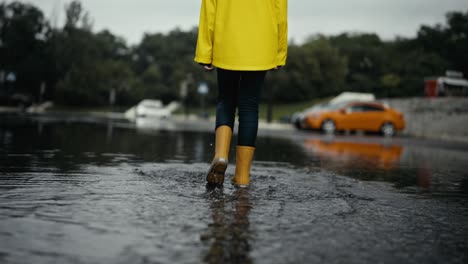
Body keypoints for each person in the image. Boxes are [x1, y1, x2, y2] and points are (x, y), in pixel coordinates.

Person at [195, 0, 288, 187]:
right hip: (261, 45)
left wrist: (205, 52)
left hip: (227, 42)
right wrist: (279, 53)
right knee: (249, 106)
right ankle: (243, 176)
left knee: (226, 100)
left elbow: (209, 12)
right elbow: (281, 14)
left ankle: (220, 155)